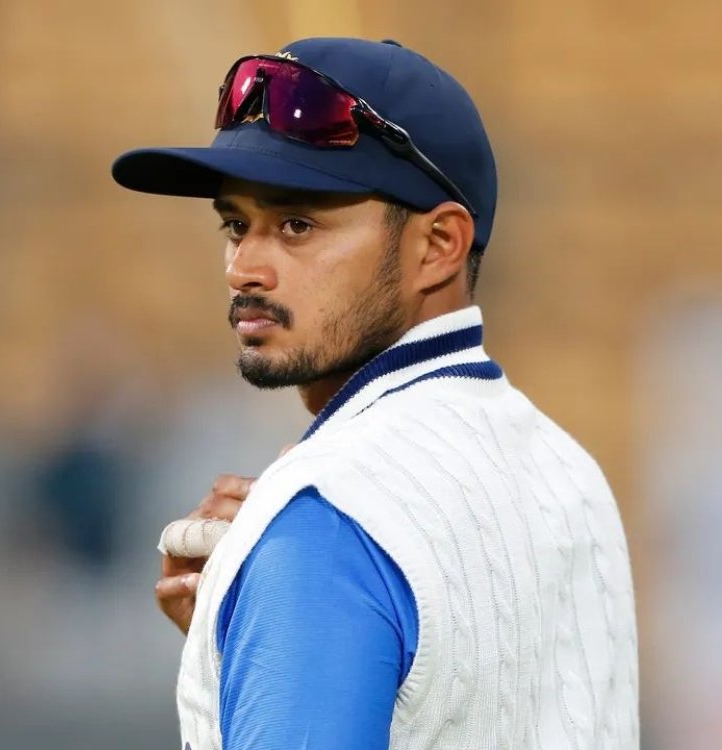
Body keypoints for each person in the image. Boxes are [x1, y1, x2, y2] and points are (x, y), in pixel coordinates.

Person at [111, 38, 638, 749]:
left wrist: (285, 603)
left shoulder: (323, 515)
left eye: (297, 224)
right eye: (236, 225)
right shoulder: (570, 474)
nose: (244, 268)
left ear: (439, 245)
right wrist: (249, 644)